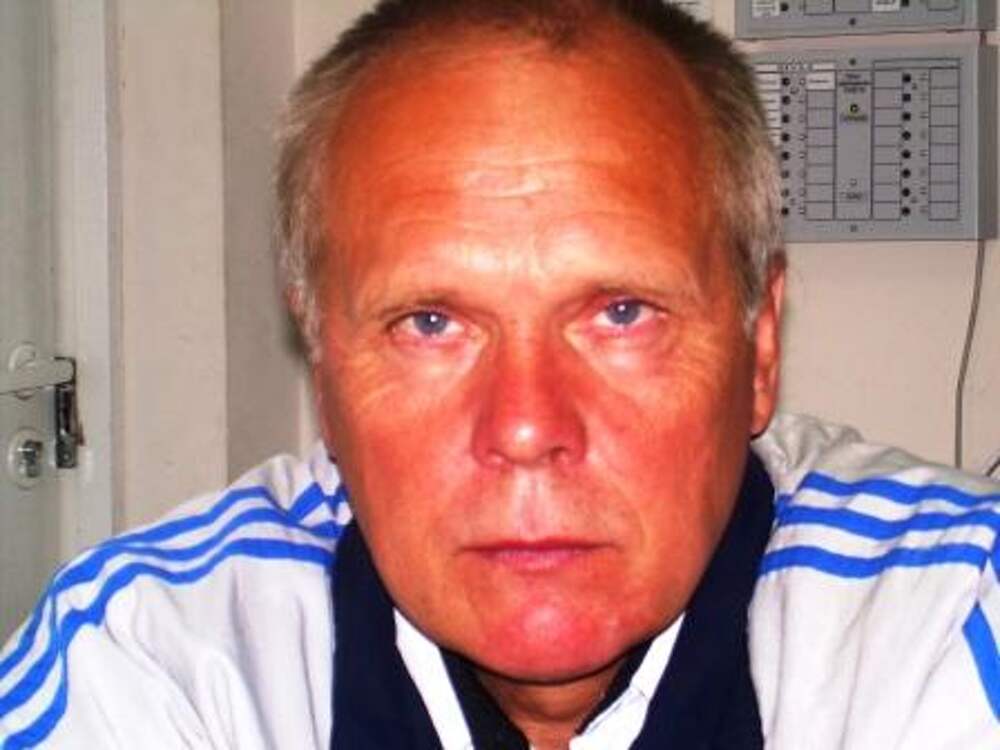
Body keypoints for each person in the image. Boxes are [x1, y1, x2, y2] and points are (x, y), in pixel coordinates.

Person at [1, 1, 997, 747]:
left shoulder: (954, 624)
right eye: (430, 322)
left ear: (759, 346)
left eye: (621, 313)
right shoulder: (154, 658)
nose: (525, 426)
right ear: (325, 360)